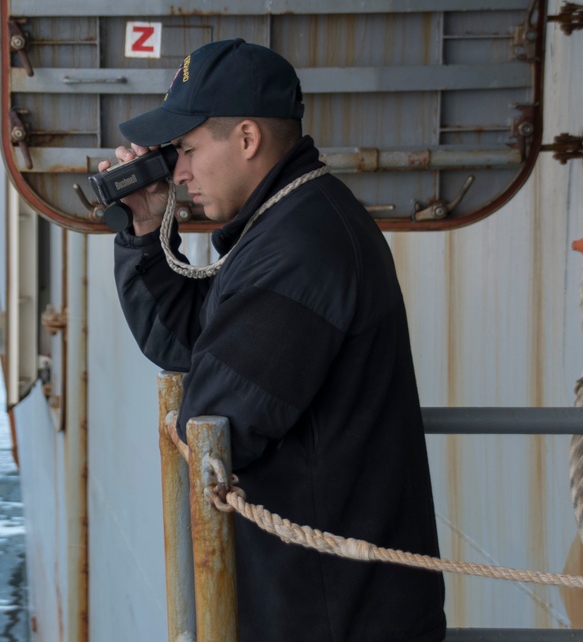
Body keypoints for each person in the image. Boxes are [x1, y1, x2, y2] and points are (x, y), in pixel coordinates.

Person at [101, 38, 446, 641]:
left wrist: (191, 414)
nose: (179, 172)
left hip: (333, 614)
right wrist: (147, 225)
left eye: (185, 149)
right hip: (327, 601)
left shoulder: (301, 250)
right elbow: (187, 341)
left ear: (247, 139)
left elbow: (212, 424)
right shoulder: (288, 223)